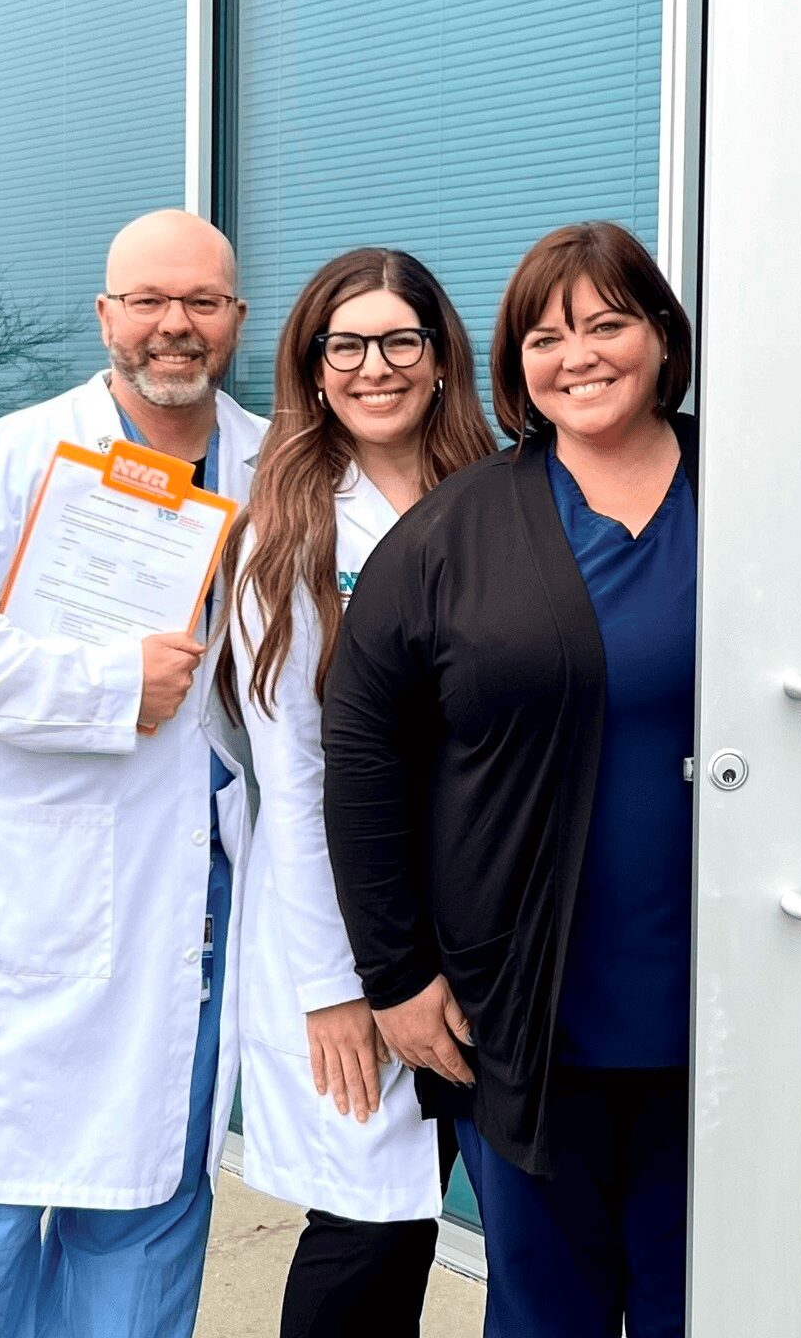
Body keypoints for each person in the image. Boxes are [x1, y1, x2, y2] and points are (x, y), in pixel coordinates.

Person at [0, 209, 266, 1338]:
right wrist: (104, 686)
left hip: (191, 910)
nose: (173, 327)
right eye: (148, 301)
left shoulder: (276, 464)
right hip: (37, 903)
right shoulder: (10, 457)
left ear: (235, 320)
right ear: (107, 315)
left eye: (200, 303)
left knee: (147, 1215)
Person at [321, 221, 697, 1338]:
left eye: (606, 324)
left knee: (711, 1298)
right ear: (513, 366)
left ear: (663, 339)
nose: (577, 355)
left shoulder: (772, 501)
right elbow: (364, 756)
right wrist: (394, 974)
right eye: (544, 335)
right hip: (525, 1019)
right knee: (547, 1309)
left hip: (732, 1003)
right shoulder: (454, 533)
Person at [216, 247, 494, 1336]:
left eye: (399, 340)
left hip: (484, 911)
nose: (373, 366)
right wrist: (340, 983)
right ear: (313, 366)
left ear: (438, 358)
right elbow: (293, 771)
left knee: (482, 1213)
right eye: (347, 344)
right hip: (349, 928)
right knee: (371, 1221)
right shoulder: (285, 524)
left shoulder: (501, 492)